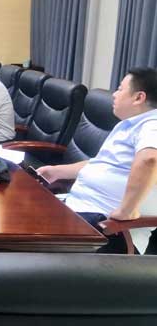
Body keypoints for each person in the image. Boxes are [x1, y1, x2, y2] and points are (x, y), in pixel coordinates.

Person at [38, 67, 157, 254]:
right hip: (79, 210)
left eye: (120, 89)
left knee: (18, 235)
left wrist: (127, 211)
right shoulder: (127, 125)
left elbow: (150, 160)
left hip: (108, 230)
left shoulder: (152, 125)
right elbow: (101, 163)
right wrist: (57, 171)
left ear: (138, 98)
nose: (114, 95)